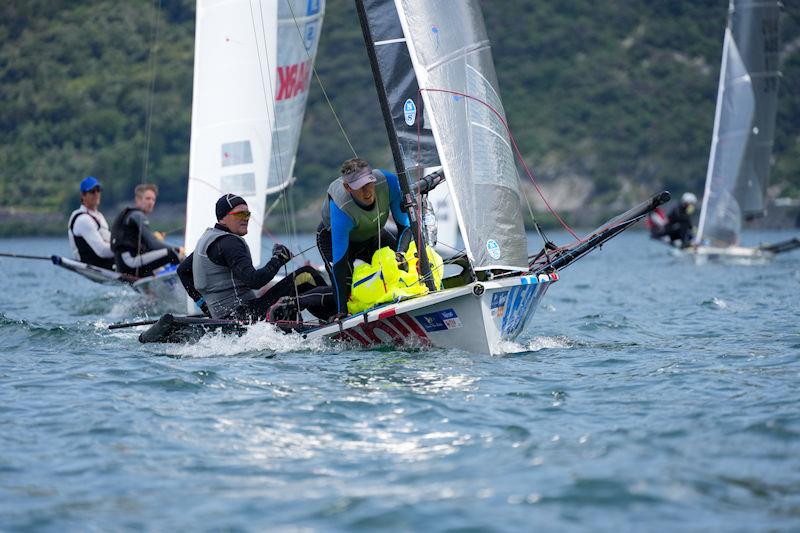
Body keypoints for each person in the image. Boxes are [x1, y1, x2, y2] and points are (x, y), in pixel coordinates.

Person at [177, 194, 335, 322]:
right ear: (223, 218)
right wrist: (278, 259)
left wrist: (204, 306)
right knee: (306, 275)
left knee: (296, 283)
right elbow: (254, 281)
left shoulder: (209, 239)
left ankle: (331, 319)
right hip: (244, 316)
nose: (245, 218)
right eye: (239, 214)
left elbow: (182, 271)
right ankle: (337, 317)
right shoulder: (230, 243)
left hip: (226, 318)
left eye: (247, 213)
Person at [316, 157, 412, 318]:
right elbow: (339, 265)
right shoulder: (341, 208)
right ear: (347, 187)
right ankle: (298, 302)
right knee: (346, 285)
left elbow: (406, 227)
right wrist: (342, 312)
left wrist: (401, 253)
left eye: (369, 183)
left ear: (373, 178)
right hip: (333, 239)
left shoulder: (388, 183)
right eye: (360, 187)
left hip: (372, 234)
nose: (367, 192)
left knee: (398, 264)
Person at [111, 183, 182, 277]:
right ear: (138, 200)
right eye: (148, 198)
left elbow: (143, 241)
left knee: (162, 254)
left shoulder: (132, 215)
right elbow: (153, 243)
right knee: (172, 254)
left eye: (153, 199)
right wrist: (177, 249)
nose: (151, 202)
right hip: (130, 264)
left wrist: (154, 237)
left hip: (124, 265)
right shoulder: (138, 215)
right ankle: (183, 279)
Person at [67, 176, 115, 270]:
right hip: (93, 265)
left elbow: (110, 239)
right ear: (83, 195)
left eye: (98, 190)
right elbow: (102, 251)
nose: (96, 194)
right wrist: (124, 249)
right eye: (92, 191)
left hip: (105, 262)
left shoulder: (99, 216)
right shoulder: (83, 220)